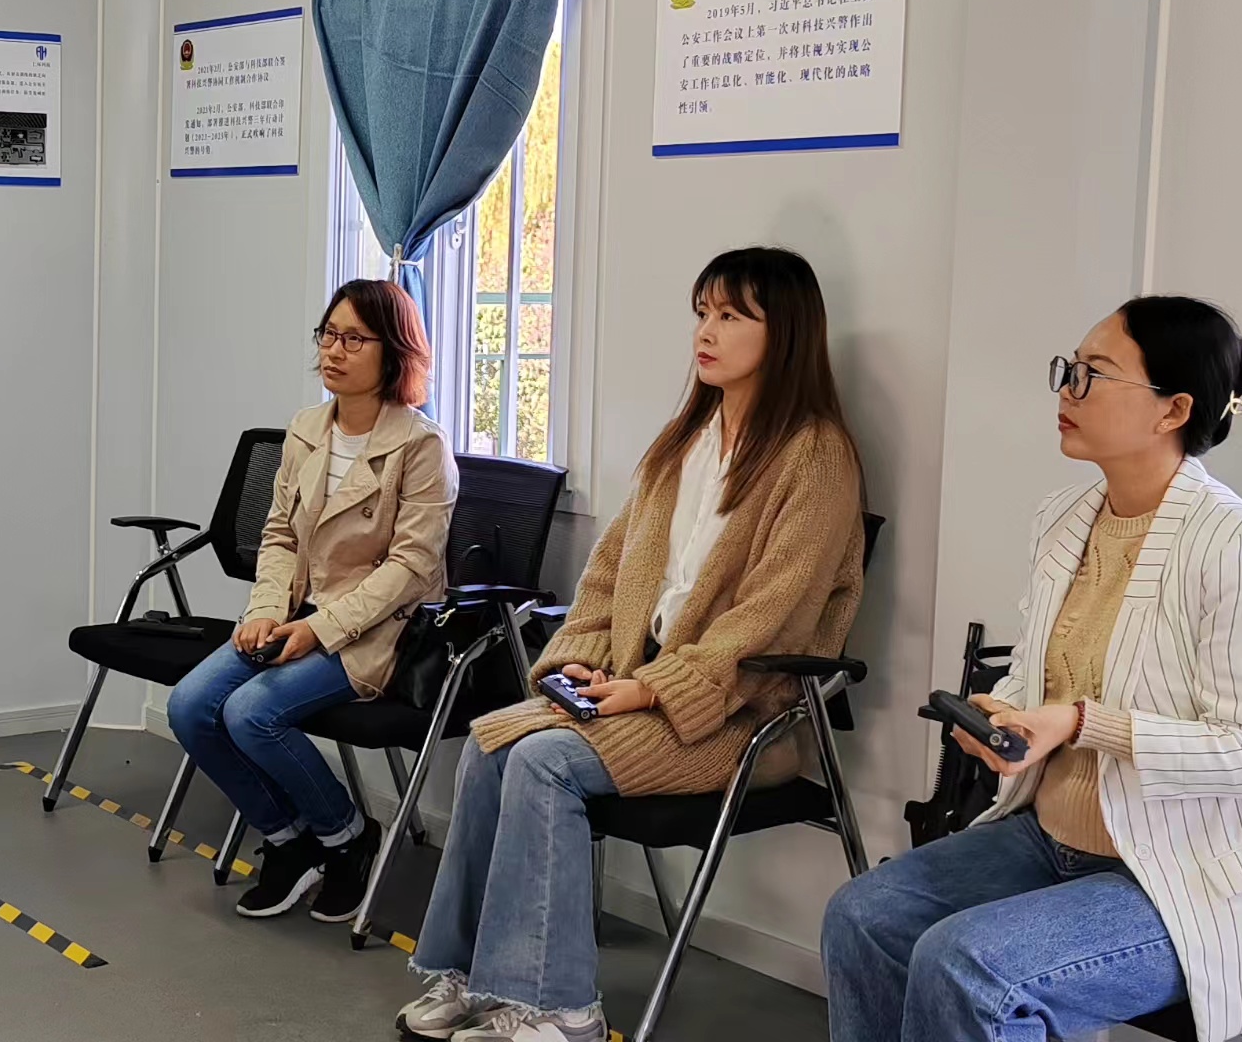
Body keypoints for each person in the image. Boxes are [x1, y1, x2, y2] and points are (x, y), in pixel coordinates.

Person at [397, 247, 866, 1042]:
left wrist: (654, 687)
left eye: (731, 316)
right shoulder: (687, 441)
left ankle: (562, 1009)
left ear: (784, 332)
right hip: (635, 692)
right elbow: (612, 570)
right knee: (488, 742)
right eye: (703, 313)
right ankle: (472, 976)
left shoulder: (816, 454)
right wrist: (578, 656)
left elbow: (774, 616)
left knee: (542, 762)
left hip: (739, 717)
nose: (705, 332)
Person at [821, 296, 1242, 1042]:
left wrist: (1082, 724)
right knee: (864, 915)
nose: (1067, 390)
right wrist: (1007, 715)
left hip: (1185, 877)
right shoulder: (1063, 518)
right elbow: (1041, 672)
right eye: (1069, 369)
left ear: (1173, 409)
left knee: (965, 964)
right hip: (1049, 839)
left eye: (1093, 375)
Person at [168, 278, 459, 921]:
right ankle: (288, 838)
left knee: (251, 713)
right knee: (189, 707)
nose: (333, 350)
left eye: (354, 338)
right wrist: (264, 611)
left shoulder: (422, 446)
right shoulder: (305, 430)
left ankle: (347, 837)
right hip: (294, 613)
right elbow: (279, 536)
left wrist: (319, 630)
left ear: (394, 351)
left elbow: (412, 567)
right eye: (328, 333)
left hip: (374, 630)